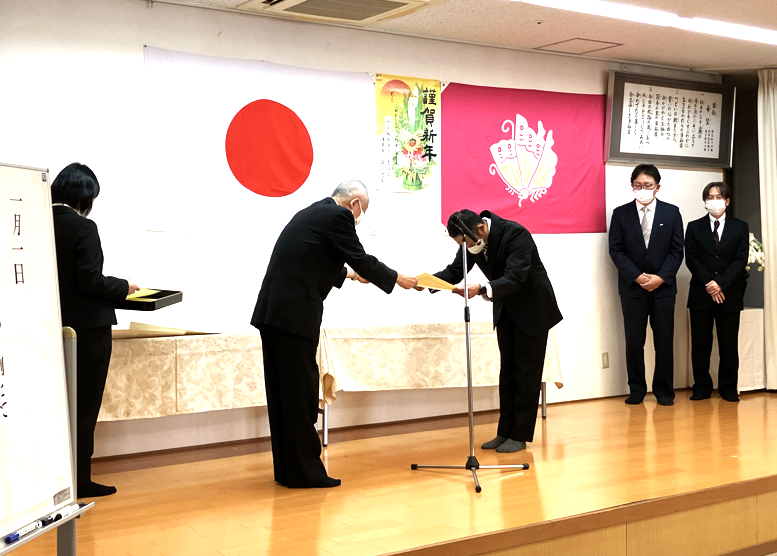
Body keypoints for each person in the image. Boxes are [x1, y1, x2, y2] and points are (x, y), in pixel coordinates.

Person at [250, 180, 417, 488]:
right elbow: (360, 256)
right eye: (363, 210)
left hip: (273, 313)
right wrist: (396, 278)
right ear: (355, 203)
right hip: (294, 316)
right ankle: (306, 473)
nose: (360, 217)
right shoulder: (339, 216)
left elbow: (310, 256)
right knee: (301, 395)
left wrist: (350, 275)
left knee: (283, 396)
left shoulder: (313, 212)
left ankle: (287, 471)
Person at [426, 209, 562, 453]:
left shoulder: (516, 234)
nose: (467, 248)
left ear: (480, 229)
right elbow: (455, 271)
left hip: (533, 310)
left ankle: (520, 436)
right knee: (508, 372)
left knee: (527, 374)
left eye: (467, 244)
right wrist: (426, 282)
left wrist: (480, 289)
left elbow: (515, 277)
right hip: (506, 309)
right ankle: (504, 432)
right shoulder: (471, 240)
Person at [51, 163, 139, 498]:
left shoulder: (37, 223)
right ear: (84, 196)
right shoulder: (83, 227)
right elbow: (90, 280)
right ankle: (81, 480)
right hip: (88, 331)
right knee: (85, 406)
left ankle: (56, 478)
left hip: (53, 327)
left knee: (58, 405)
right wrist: (123, 287)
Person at [609, 163, 684, 406]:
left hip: (664, 288)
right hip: (632, 289)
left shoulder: (671, 213)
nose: (643, 189)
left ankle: (664, 391)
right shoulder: (620, 214)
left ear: (657, 187)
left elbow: (677, 251)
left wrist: (660, 277)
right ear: (632, 187)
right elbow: (616, 250)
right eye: (638, 185)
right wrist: (637, 276)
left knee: (664, 341)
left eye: (648, 185)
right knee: (634, 341)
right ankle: (637, 389)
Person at [685, 182, 749, 402]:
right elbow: (691, 258)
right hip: (700, 294)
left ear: (727, 201)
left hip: (729, 294)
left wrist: (720, 284)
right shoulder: (694, 227)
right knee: (700, 344)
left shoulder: (740, 227)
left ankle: (728, 388)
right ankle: (702, 387)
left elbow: (740, 260)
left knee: (728, 345)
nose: (714, 201)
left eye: (719, 197)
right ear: (705, 201)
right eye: (710, 197)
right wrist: (710, 284)